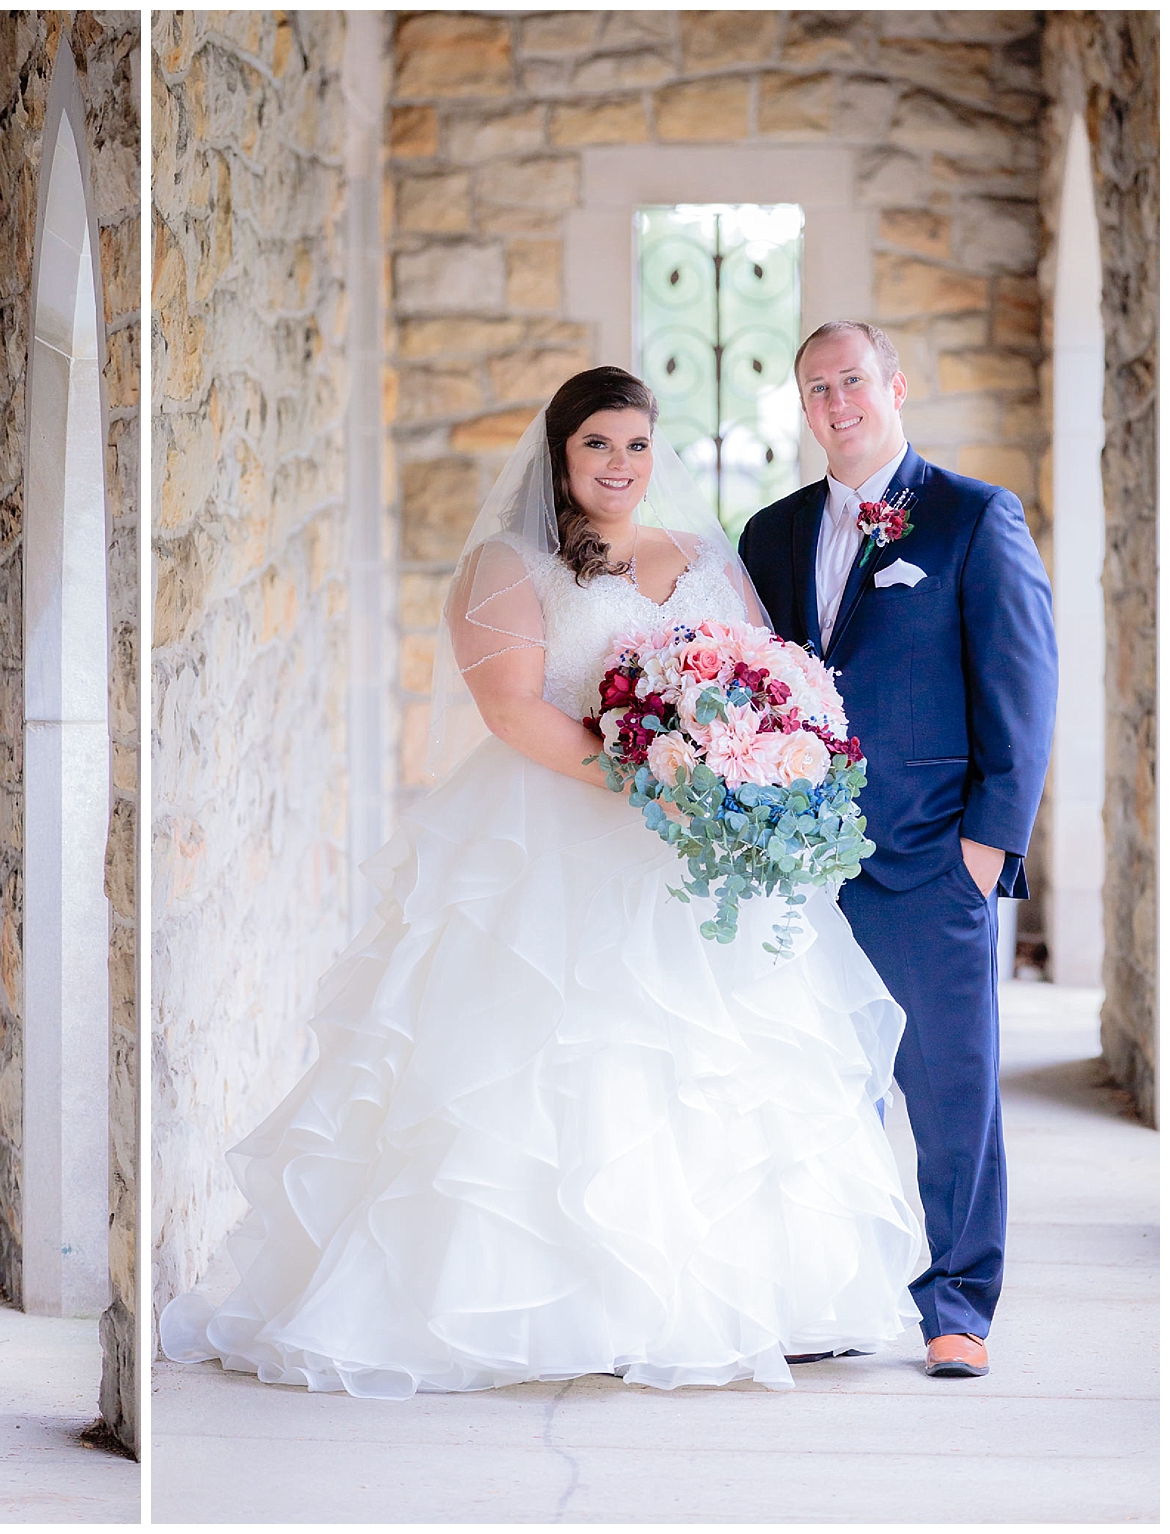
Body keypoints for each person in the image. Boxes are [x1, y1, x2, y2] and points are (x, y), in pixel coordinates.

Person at [159, 366, 925, 1397]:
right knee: (557, 1064)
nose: (619, 465)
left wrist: (732, 770)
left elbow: (759, 668)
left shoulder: (703, 555)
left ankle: (724, 1303)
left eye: (636, 445)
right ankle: (550, 1308)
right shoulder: (507, 565)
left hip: (691, 851)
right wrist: (651, 776)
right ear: (560, 456)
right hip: (551, 838)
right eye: (597, 445)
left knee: (704, 1067)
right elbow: (512, 708)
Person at [740, 321, 1058, 1380]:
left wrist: (987, 846)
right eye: (815, 386)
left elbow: (1021, 687)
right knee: (821, 1082)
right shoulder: (770, 535)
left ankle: (956, 1302)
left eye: (851, 380)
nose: (835, 401)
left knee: (947, 1086)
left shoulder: (971, 516)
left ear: (894, 386)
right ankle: (829, 1291)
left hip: (930, 857)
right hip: (800, 861)